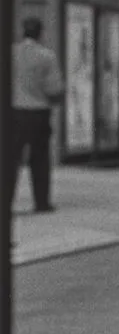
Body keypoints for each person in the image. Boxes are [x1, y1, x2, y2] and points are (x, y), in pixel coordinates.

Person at [8, 17, 64, 213]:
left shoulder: (10, 53)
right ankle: (41, 202)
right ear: (40, 33)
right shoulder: (46, 56)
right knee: (40, 159)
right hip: (38, 113)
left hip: (13, 112)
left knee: (10, 159)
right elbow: (54, 89)